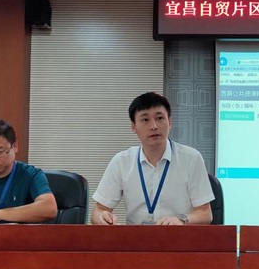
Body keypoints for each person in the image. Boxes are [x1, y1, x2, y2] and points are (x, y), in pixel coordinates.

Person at [91, 92, 214, 225]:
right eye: (145, 120)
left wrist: (181, 219)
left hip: (178, 236)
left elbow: (205, 213)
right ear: (133, 126)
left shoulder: (191, 158)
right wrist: (102, 217)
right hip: (136, 237)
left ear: (170, 122)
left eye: (160, 118)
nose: (154, 126)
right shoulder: (121, 162)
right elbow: (98, 211)